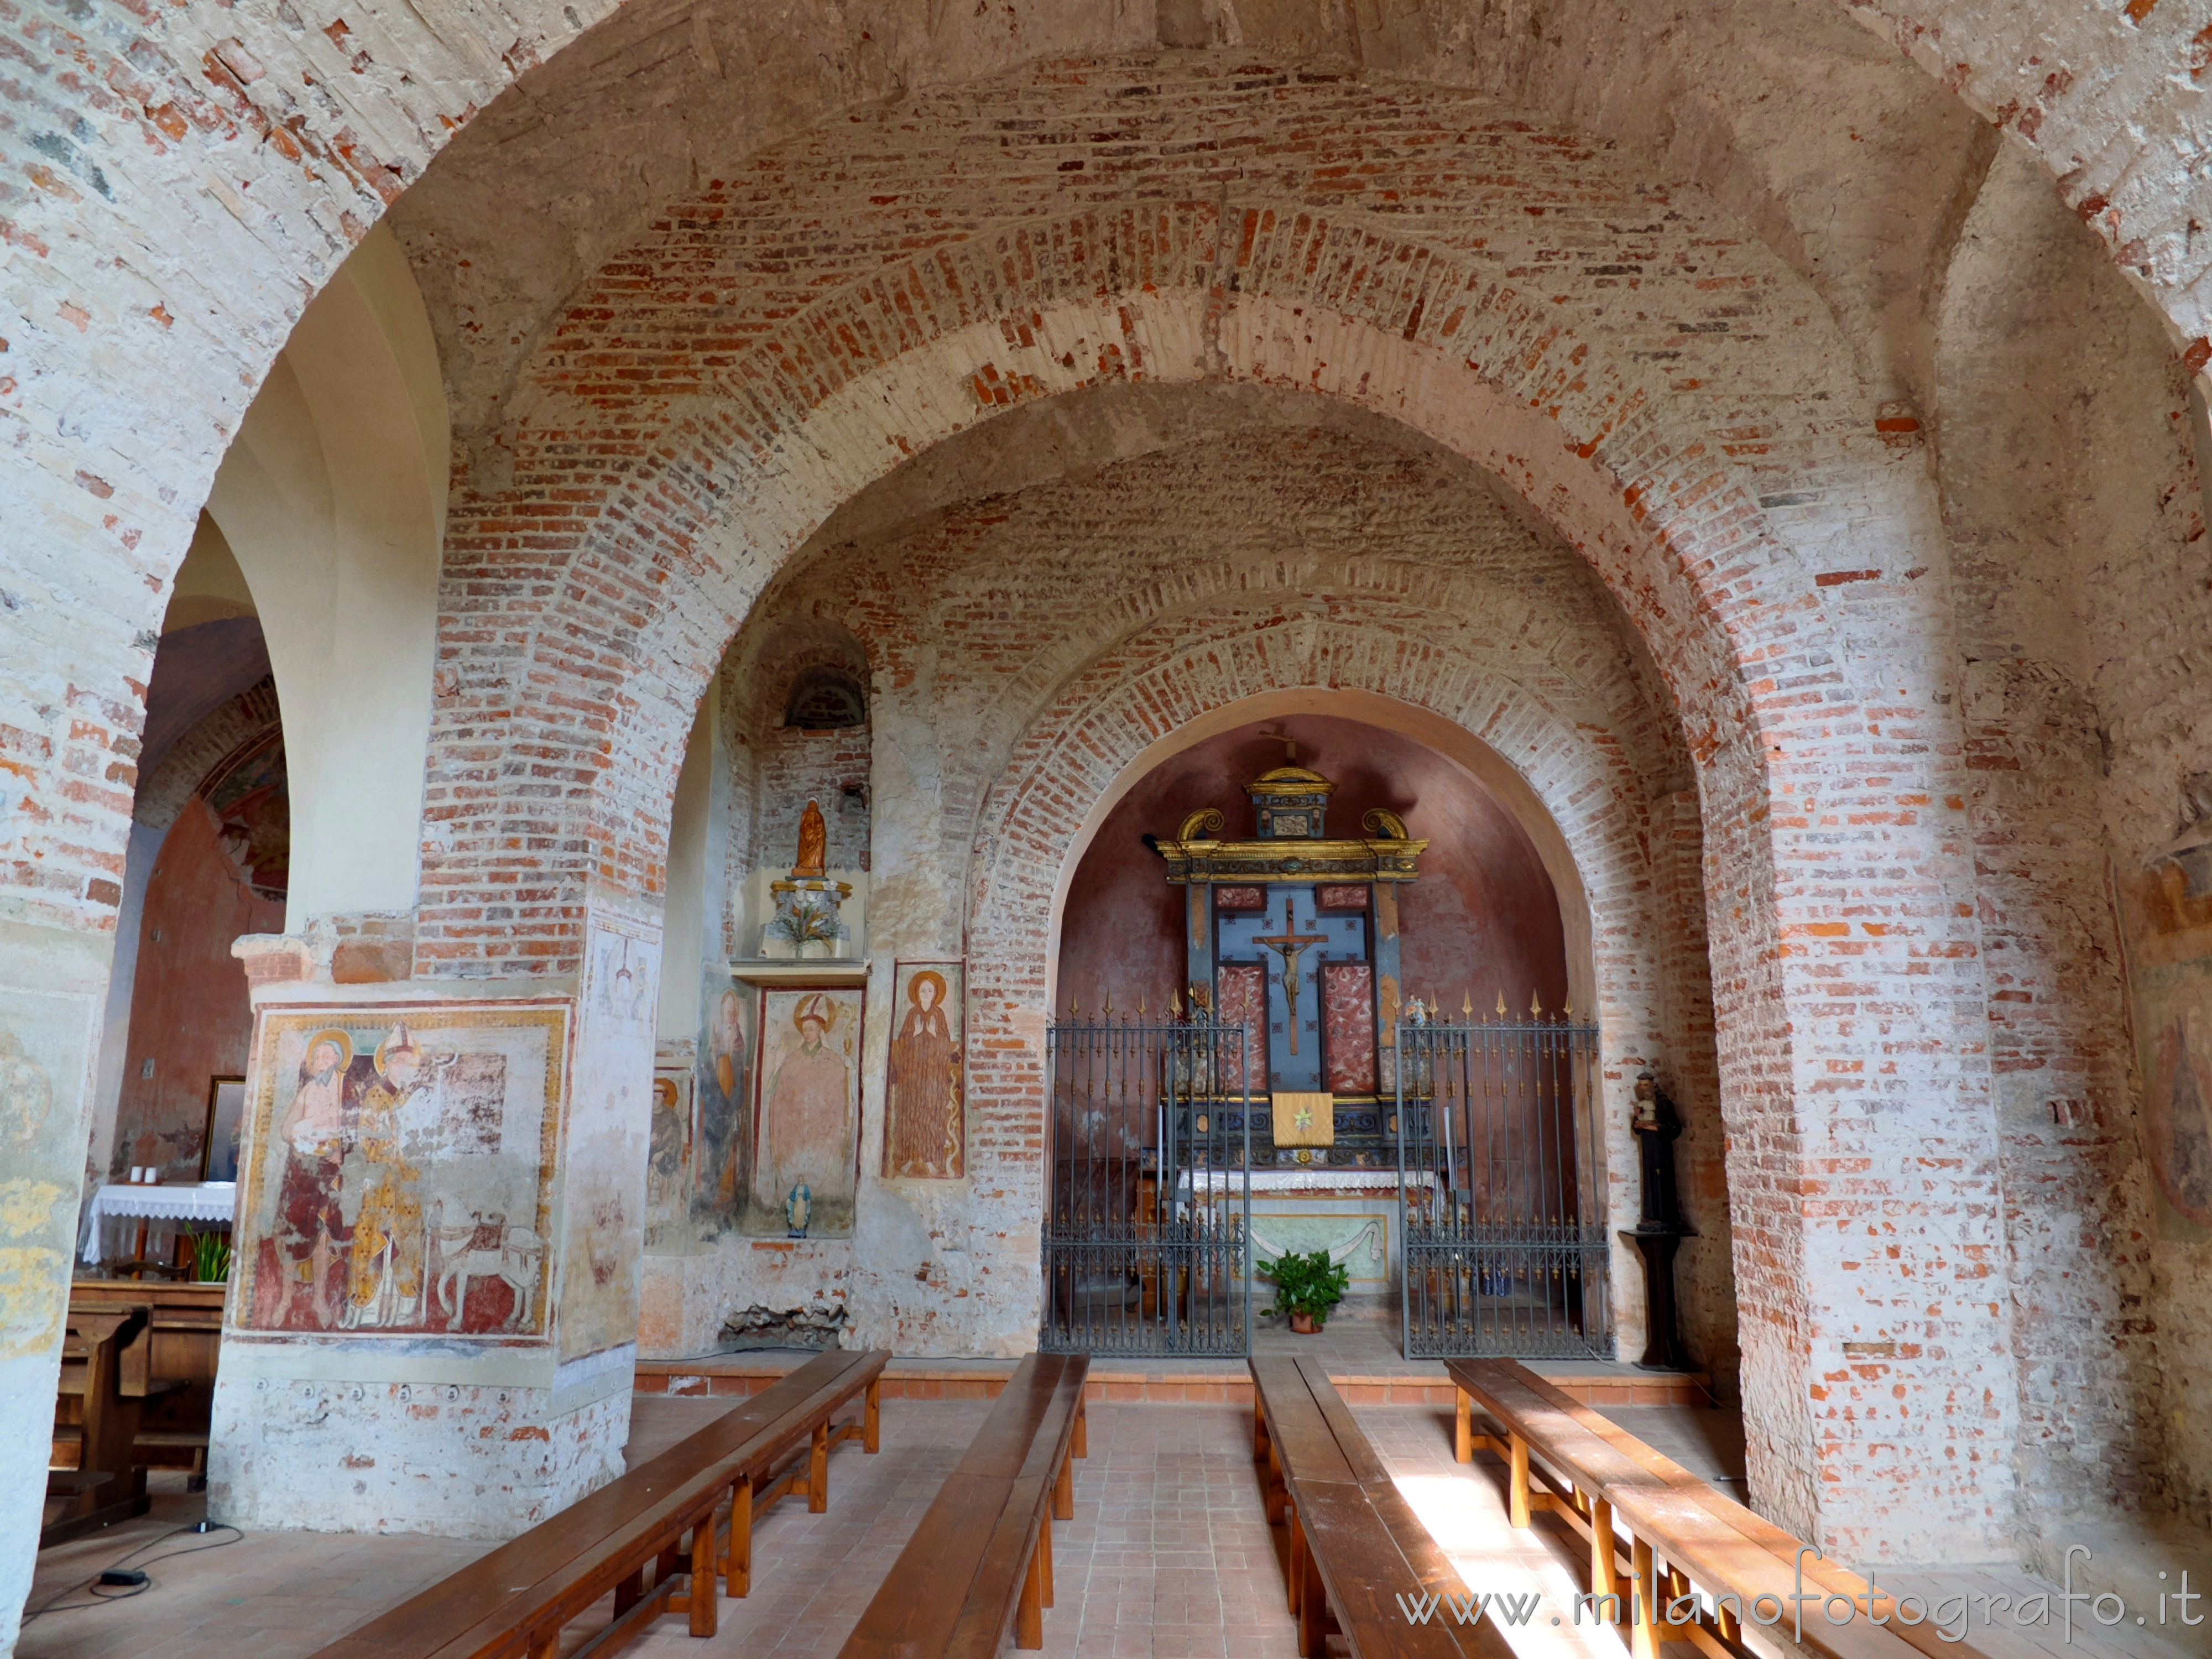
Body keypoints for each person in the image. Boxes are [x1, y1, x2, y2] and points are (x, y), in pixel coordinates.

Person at [270, 1030, 349, 1328]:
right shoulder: (306, 1091)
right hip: (301, 1172)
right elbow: (286, 1129)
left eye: (326, 1056)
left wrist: (341, 1150)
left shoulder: (344, 1089)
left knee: (323, 1236)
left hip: (328, 1174)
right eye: (317, 1056)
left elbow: (353, 1126)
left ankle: (319, 1298)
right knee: (292, 1234)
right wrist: (307, 1128)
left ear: (338, 1061)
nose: (321, 1061)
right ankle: (285, 1298)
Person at [757, 994, 850, 1211]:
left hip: (822, 1127)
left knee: (820, 1164)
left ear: (820, 1030)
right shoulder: (792, 1059)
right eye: (805, 1029)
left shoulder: (833, 1061)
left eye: (811, 1028)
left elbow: (838, 1098)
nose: (807, 1033)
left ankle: (825, 1206)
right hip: (795, 1126)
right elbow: (777, 1092)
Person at [886, 971, 961, 1177]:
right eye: (923, 990)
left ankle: (932, 1160)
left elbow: (946, 1044)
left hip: (933, 1077)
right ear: (917, 993)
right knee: (911, 1116)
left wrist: (936, 1035)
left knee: (933, 1116)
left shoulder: (939, 1015)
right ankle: (910, 1158)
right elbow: (902, 1043)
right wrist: (916, 1034)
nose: (926, 993)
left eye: (930, 990)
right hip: (913, 1078)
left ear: (936, 993)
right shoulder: (913, 1015)